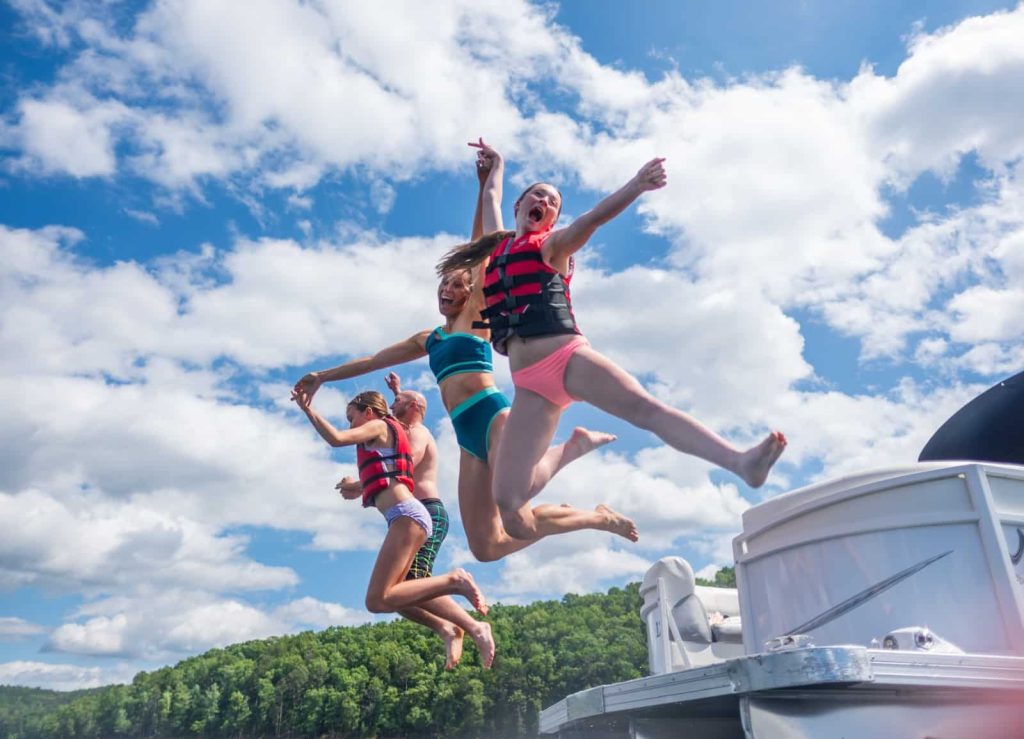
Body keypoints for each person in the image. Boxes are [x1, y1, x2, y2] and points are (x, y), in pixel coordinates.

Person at [435, 139, 787, 539]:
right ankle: (573, 448)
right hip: (531, 388)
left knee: (645, 409)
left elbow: (592, 219)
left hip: (566, 359)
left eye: (552, 202)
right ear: (520, 207)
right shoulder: (496, 248)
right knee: (510, 503)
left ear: (551, 220)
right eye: (538, 195)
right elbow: (492, 198)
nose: (545, 202)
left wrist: (637, 184)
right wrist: (495, 166)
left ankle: (741, 462)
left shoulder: (551, 246)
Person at [294, 159, 638, 563]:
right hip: (465, 436)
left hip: (492, 416)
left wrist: (485, 183)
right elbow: (374, 359)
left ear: (471, 290)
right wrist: (323, 376)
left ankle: (589, 495)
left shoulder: (478, 314)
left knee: (518, 518)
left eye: (456, 284)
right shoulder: (430, 338)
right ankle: (587, 502)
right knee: (486, 547)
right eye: (443, 284)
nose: (447, 289)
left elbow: (482, 245)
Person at [293, 388, 495, 668]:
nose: (350, 424)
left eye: (352, 417)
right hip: (406, 516)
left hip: (408, 515)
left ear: (368, 412)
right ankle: (448, 626)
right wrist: (398, 392)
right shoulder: (390, 428)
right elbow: (396, 440)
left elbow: (336, 438)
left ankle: (455, 582)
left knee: (380, 598)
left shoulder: (378, 425)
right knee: (388, 598)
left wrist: (307, 410)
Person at [335, 377, 468, 668]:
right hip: (411, 513)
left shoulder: (418, 432)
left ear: (412, 407)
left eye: (396, 402)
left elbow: (405, 461)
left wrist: (358, 485)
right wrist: (397, 392)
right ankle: (446, 628)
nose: (390, 407)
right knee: (395, 593)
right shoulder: (400, 428)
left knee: (410, 584)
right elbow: (394, 425)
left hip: (426, 510)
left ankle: (468, 626)